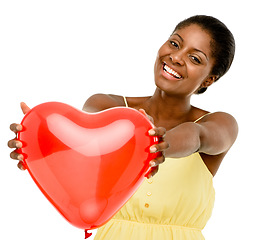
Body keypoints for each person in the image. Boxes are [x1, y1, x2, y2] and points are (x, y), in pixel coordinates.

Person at [8, 15, 238, 239]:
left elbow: (197, 136)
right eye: (174, 43)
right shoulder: (105, 104)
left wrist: (156, 145)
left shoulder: (220, 123)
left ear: (209, 79)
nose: (176, 57)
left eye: (195, 58)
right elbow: (85, 143)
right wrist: (41, 140)